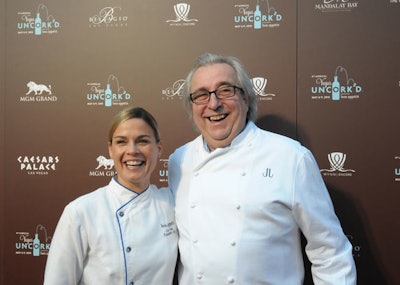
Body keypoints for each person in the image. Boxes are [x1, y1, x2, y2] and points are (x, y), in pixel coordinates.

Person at [168, 53, 356, 284]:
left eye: (225, 90)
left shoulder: (290, 157)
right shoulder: (179, 160)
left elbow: (330, 252)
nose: (214, 104)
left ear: (246, 98)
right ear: (192, 106)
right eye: (201, 95)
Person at [44, 107, 178, 285]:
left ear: (158, 148)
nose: (132, 150)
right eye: (121, 142)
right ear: (110, 149)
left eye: (143, 141)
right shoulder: (80, 211)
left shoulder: (171, 205)